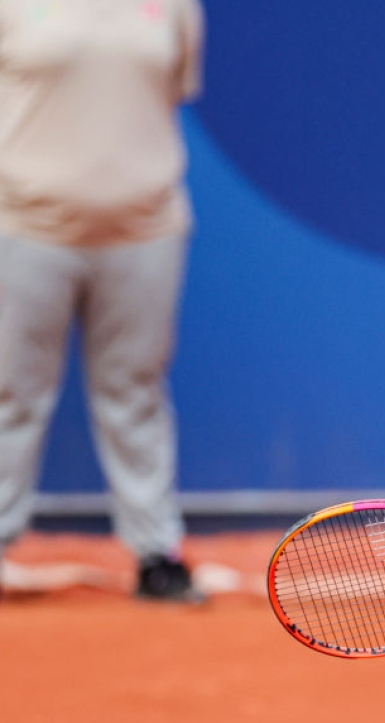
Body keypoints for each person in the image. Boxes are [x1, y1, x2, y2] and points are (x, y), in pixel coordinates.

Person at [0, 0, 206, 602]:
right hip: (25, 226)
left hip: (147, 227)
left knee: (135, 389)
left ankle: (155, 553)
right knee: (11, 390)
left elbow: (172, 88)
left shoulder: (175, 7)